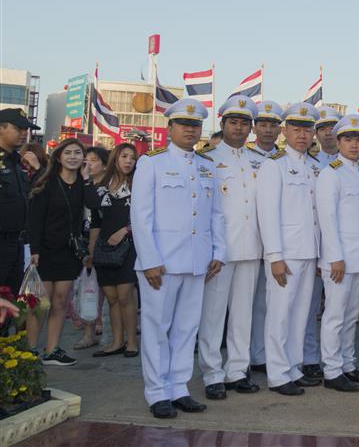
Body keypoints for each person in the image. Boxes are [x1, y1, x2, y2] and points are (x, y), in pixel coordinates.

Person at [132, 98, 225, 418]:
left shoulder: (207, 165)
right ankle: (157, 392)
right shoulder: (152, 163)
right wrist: (149, 259)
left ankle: (179, 387)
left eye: (195, 125)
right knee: (157, 327)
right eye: (184, 125)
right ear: (170, 128)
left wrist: (219, 252)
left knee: (187, 328)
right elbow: (140, 216)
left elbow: (216, 214)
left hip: (198, 260)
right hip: (162, 262)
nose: (190, 130)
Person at [196, 96, 264, 401]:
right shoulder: (207, 158)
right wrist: (212, 249)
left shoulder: (257, 159)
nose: (238, 128)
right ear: (222, 124)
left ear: (251, 127)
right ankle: (212, 373)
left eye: (244, 123)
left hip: (250, 246)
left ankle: (237, 370)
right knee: (212, 315)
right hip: (219, 251)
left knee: (242, 314)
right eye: (233, 122)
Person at [256, 102, 321, 396]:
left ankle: (294, 368)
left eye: (307, 129)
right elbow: (268, 213)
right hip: (286, 252)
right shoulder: (275, 165)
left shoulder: (315, 166)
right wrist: (275, 256)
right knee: (280, 314)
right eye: (296, 129)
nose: (302, 135)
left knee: (300, 314)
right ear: (285, 131)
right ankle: (278, 374)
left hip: (310, 250)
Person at [316, 114, 359, 391]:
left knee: (352, 315)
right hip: (339, 258)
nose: (354, 145)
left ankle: (348, 364)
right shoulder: (331, 173)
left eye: (358, 139)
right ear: (338, 142)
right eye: (348, 139)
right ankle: (332, 370)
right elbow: (327, 218)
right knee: (335, 315)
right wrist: (333, 257)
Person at [26, 138, 90, 366]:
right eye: (68, 153)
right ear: (59, 157)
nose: (73, 157)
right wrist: (34, 250)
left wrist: (87, 180)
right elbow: (35, 221)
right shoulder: (47, 183)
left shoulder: (84, 185)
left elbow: (93, 206)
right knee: (40, 303)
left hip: (69, 252)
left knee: (61, 301)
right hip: (44, 251)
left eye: (78, 153)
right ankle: (31, 349)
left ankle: (52, 349)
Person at [300, 106, 343, 382]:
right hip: (312, 245)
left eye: (332, 128)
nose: (328, 132)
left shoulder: (354, 165)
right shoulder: (312, 164)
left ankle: (336, 359)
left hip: (341, 248)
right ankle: (309, 357)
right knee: (310, 305)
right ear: (317, 133)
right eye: (323, 128)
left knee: (337, 309)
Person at [85, 143, 139, 358]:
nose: (128, 161)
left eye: (132, 158)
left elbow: (147, 216)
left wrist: (125, 231)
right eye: (124, 156)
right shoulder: (101, 186)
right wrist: (91, 249)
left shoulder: (138, 184)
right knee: (112, 297)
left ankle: (132, 342)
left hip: (130, 245)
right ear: (115, 158)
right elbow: (95, 218)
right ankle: (116, 341)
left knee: (125, 295)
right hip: (104, 248)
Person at [246, 100, 283, 375]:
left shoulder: (284, 160)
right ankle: (249, 355)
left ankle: (265, 355)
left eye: (273, 125)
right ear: (255, 128)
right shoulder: (244, 157)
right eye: (263, 125)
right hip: (249, 238)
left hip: (277, 242)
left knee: (269, 302)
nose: (268, 130)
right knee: (248, 303)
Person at [73, 145, 109, 350]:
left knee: (104, 289)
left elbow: (96, 210)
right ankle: (88, 329)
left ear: (104, 165)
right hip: (81, 242)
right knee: (86, 289)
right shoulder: (78, 184)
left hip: (103, 242)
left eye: (93, 160)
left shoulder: (106, 186)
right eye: (85, 159)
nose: (87, 163)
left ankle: (102, 326)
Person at [0, 109, 37, 299]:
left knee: (12, 300)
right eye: (18, 128)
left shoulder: (17, 162)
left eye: (26, 129)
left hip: (17, 243)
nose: (24, 133)